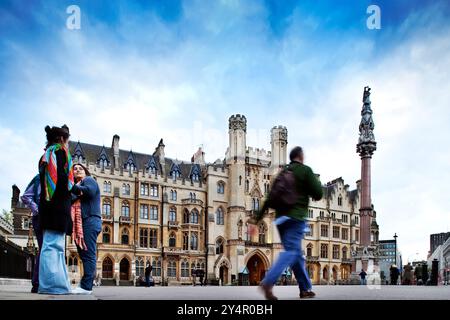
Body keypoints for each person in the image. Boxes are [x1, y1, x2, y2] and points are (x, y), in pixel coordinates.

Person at [255, 146, 323, 300]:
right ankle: (268, 281)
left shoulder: (282, 173)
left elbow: (269, 199)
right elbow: (318, 193)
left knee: (297, 255)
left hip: (280, 220)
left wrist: (256, 220)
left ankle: (305, 288)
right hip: (296, 218)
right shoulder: (304, 171)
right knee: (291, 252)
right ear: (301, 156)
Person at [38, 125, 73, 295]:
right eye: (68, 140)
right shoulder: (58, 153)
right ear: (61, 139)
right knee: (52, 246)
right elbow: (62, 182)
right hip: (56, 207)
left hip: (50, 207)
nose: (68, 144)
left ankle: (59, 285)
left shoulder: (46, 155)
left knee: (55, 247)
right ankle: (51, 286)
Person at [70, 163, 102, 295]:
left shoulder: (89, 180)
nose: (77, 170)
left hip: (90, 220)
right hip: (81, 224)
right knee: (84, 254)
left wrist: (72, 188)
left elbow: (89, 191)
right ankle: (85, 285)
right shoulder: (77, 187)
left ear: (85, 171)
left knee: (88, 255)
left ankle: (86, 286)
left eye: (80, 168)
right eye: (74, 169)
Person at [21, 174, 42, 293]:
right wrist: (37, 209)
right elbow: (25, 197)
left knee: (45, 249)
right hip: (40, 218)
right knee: (44, 249)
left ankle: (38, 283)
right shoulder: (39, 178)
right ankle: (37, 283)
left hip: (52, 219)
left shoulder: (58, 178)